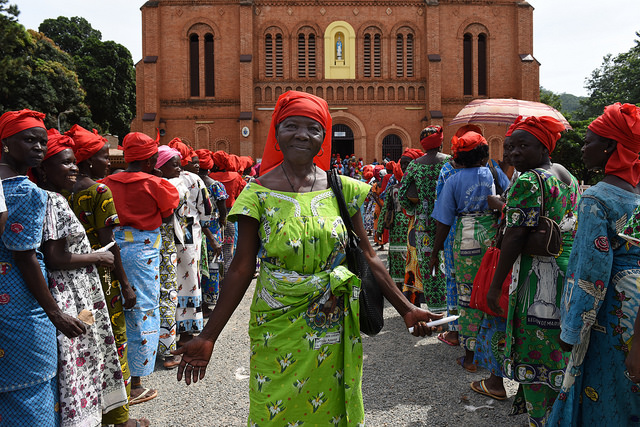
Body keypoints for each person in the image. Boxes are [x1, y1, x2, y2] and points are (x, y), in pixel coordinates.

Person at [172, 90, 442, 424]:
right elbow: (241, 268)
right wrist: (208, 336)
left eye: (313, 128)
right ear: (277, 133)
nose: (302, 134)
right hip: (277, 326)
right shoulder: (256, 194)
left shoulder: (344, 189)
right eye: (292, 126)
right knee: (274, 409)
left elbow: (369, 256)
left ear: (323, 138)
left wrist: (408, 308)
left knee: (329, 409)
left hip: (333, 322)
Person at [548, 103, 640, 425]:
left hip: (610, 311)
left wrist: (571, 328)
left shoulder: (598, 198)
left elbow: (590, 272)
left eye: (589, 141)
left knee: (604, 392)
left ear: (610, 147)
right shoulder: (637, 194)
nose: (584, 148)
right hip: (636, 310)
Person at [486, 116, 580, 426]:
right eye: (511, 147)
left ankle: (541, 419)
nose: (513, 153)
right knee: (559, 349)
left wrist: (494, 284)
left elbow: (515, 235)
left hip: (537, 274)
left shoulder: (528, 180)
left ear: (543, 147)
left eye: (523, 146)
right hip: (567, 272)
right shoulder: (567, 176)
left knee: (535, 349)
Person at [36, 129, 128, 426]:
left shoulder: (55, 195)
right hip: (77, 287)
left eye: (74, 161)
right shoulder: (66, 198)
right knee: (93, 350)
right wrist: (102, 260)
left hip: (72, 287)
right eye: (66, 162)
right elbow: (59, 255)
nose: (73, 167)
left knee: (81, 356)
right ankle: (108, 415)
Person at [0, 109, 84, 426]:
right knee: (31, 395)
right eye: (29, 139)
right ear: (6, 142)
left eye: (42, 141)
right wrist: (56, 313)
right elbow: (26, 257)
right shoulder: (26, 191)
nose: (38, 147)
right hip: (23, 308)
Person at [65, 124, 148, 426]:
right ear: (87, 161)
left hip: (71, 281)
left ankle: (90, 411)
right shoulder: (99, 191)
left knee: (86, 344)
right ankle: (120, 417)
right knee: (116, 342)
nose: (108, 160)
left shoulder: (58, 191)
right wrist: (125, 285)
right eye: (102, 155)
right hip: (102, 281)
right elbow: (110, 244)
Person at [102, 132, 180, 405]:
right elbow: (169, 214)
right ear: (151, 160)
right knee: (142, 310)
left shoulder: (106, 183)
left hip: (110, 249)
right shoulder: (156, 183)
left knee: (115, 308)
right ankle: (135, 384)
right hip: (143, 253)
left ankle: (114, 377)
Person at [430, 131, 498, 374]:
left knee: (468, 296)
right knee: (490, 290)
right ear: (483, 156)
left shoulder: (453, 180)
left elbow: (444, 221)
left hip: (467, 239)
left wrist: (434, 253)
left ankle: (471, 357)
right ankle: (491, 352)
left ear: (458, 157)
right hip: (492, 238)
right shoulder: (490, 172)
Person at [399, 126, 449, 313]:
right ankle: (450, 309)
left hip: (424, 224)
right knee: (449, 265)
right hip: (448, 223)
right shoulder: (450, 162)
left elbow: (403, 195)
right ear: (441, 142)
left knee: (429, 266)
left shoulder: (415, 165)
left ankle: (435, 310)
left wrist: (415, 210)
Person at [167, 138, 211, 346]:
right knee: (190, 281)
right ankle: (186, 335)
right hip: (189, 237)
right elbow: (206, 210)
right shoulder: (194, 180)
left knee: (168, 283)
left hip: (165, 236)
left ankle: (166, 335)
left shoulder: (160, 179)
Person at [375, 152, 415, 291]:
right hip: (400, 228)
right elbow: (386, 209)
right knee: (400, 257)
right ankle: (403, 290)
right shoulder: (394, 190)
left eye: (407, 163)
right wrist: (379, 230)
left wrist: (379, 230)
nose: (404, 167)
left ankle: (406, 289)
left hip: (411, 227)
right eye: (402, 164)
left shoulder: (416, 187)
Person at [195, 149, 227, 310]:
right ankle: (208, 301)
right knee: (213, 264)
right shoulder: (216, 186)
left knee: (197, 265)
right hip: (213, 229)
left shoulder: (191, 184)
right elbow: (223, 209)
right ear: (209, 167)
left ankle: (197, 301)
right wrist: (223, 221)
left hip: (194, 230)